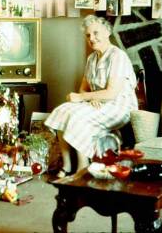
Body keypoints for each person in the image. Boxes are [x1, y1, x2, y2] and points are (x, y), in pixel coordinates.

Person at [45, 15, 138, 178]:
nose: (92, 38)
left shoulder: (117, 56)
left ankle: (83, 167)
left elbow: (112, 93)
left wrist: (85, 98)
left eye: (96, 33)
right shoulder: (92, 58)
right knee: (62, 111)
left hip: (119, 107)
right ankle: (67, 166)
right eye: (88, 35)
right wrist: (89, 98)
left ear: (107, 32)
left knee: (78, 117)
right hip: (99, 103)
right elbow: (83, 90)